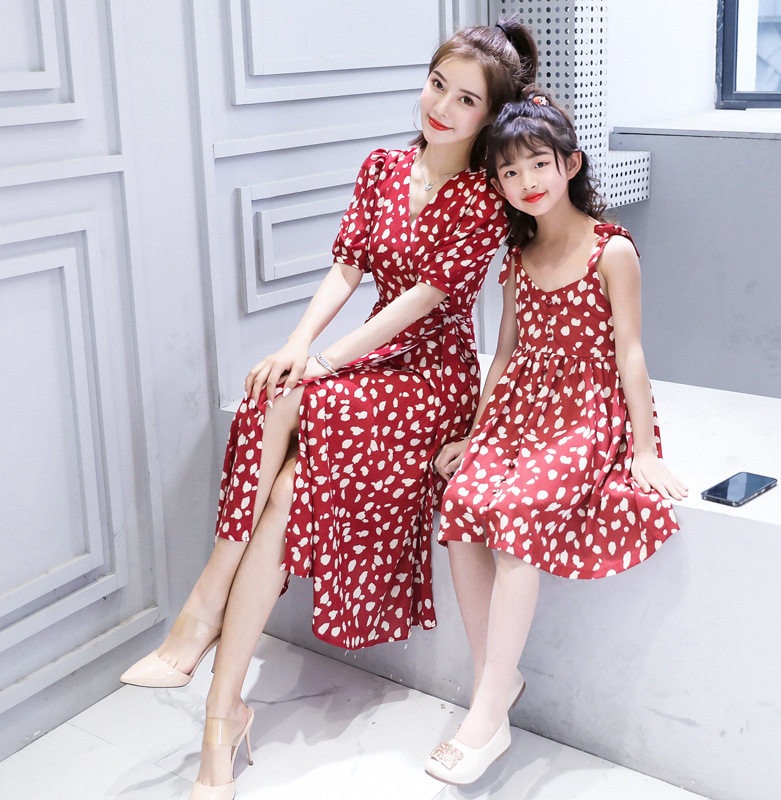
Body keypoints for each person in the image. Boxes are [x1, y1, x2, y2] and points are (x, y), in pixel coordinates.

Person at [120, 19, 539, 799]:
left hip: (430, 378)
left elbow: (419, 302)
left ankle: (203, 613)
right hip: (369, 362)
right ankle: (221, 719)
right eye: (437, 84)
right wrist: (297, 343)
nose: (441, 106)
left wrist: (323, 361)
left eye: (466, 99)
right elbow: (347, 271)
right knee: (281, 459)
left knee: (294, 397)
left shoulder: (484, 198)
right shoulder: (382, 167)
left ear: (489, 117)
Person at [424, 90, 688, 786]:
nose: (526, 182)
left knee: (515, 516)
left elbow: (630, 352)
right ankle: (496, 682)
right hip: (518, 412)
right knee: (462, 503)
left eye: (538, 164)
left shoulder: (612, 249)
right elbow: (506, 353)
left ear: (570, 164)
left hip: (585, 414)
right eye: (509, 172)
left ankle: (485, 712)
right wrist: (477, 435)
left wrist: (644, 450)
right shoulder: (516, 258)